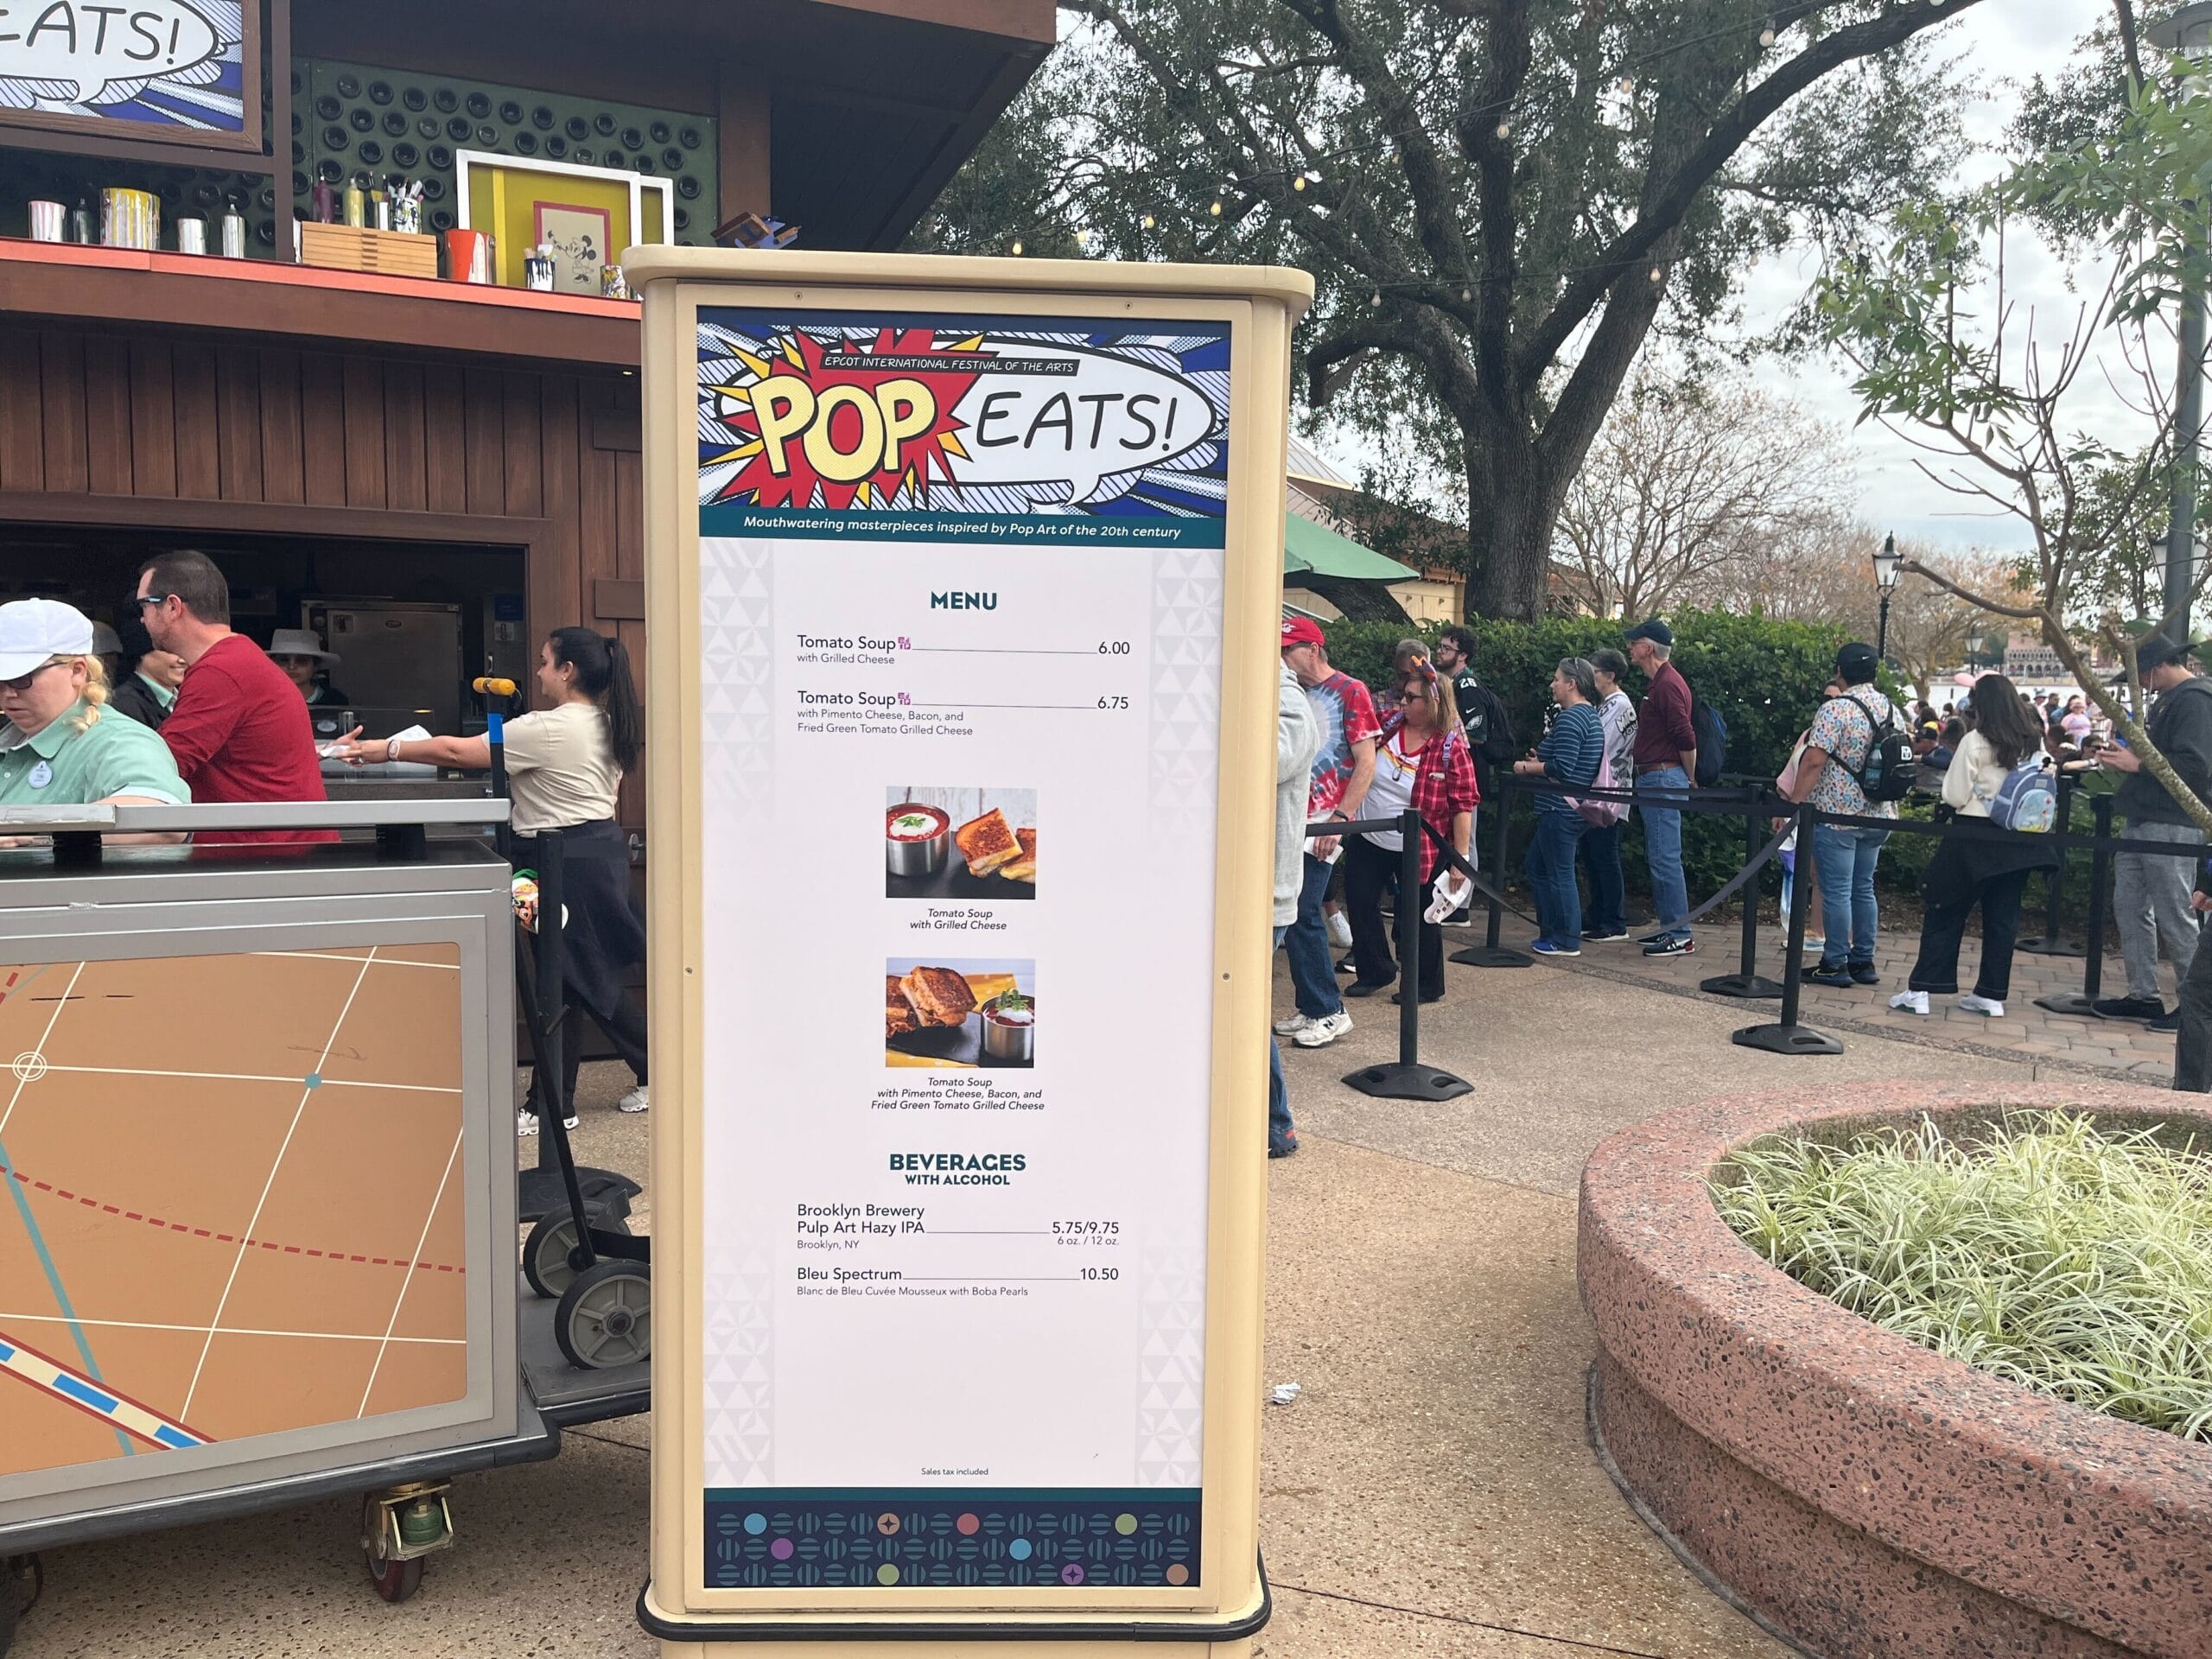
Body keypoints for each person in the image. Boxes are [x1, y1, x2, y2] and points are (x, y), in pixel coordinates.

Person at [340, 628, 649, 1131]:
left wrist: (385, 750)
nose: (541, 672)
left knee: (570, 973)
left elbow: (459, 753)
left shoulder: (548, 727)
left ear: (568, 670)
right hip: (588, 853)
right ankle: (561, 1098)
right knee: (569, 975)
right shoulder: (605, 722)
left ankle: (558, 1101)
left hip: (561, 859)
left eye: (547, 663)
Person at [134, 550, 341, 846]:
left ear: (172, 606)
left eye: (144, 605)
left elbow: (161, 765)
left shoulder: (221, 671)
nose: (141, 618)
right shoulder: (236, 659)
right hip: (283, 856)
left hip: (268, 865)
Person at [1890, 674, 2056, 1020]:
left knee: (1945, 909)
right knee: (2003, 919)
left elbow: (1953, 794)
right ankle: (1991, 994)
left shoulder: (1975, 741)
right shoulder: (2032, 741)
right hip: (2020, 837)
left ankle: (1921, 990)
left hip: (1972, 834)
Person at [1341, 656, 1477, 1001]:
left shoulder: (1451, 748)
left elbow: (1463, 804)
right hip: (1370, 835)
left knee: (1419, 915)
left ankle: (1426, 985)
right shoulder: (1386, 726)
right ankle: (1375, 969)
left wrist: (1460, 859)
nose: (1402, 702)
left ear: (1433, 703)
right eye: (1404, 695)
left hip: (1420, 845)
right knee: (1359, 900)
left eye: (1412, 697)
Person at [2094, 634, 2212, 1030]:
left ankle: (2195, 1002)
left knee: (2174, 913)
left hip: (2172, 821)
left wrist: (2137, 764)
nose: (2138, 685)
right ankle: (2144, 994)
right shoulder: (2170, 700)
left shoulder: (2195, 701)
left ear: (2155, 667)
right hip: (2145, 816)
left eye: (2139, 675)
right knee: (2130, 906)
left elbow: (2196, 767)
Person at [0, 599, 189, 843]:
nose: (8, 693)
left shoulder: (118, 741)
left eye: (22, 678)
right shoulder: (11, 739)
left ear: (77, 671)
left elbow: (161, 819)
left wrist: (31, 837)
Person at [1274, 618, 1376, 1050]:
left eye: (1288, 649)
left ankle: (1329, 1009)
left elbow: (1366, 760)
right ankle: (1314, 1002)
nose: (1281, 658)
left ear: (1313, 649)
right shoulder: (1292, 691)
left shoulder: (1351, 690)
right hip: (1297, 818)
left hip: (1324, 821)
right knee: (1295, 912)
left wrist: (1340, 818)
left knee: (1303, 910)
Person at [1779, 642, 1897, 988]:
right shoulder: (1889, 707)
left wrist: (1796, 804)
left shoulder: (1836, 709)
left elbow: (1814, 760)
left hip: (1837, 813)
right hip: (1878, 813)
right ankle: (1864, 959)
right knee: (1864, 888)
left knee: (1837, 890)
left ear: (1840, 672)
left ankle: (1834, 963)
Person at [1269, 658, 1323, 1158]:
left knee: (1239, 1014)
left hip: (1262, 894)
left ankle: (1275, 1126)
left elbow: (1273, 759)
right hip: (1246, 889)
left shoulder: (1285, 698)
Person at [1515, 658, 1604, 957]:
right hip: (1573, 807)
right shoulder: (1591, 716)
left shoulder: (1569, 718)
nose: (1552, 685)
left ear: (1571, 683)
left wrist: (1528, 767)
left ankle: (1565, 939)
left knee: (1558, 872)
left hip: (1559, 808)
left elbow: (1562, 767)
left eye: (1556, 679)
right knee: (1539, 867)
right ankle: (1553, 931)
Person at [1624, 619, 1697, 957]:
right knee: (1661, 856)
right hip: (1659, 776)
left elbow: (1685, 734)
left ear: (1648, 648)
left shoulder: (1666, 685)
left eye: (1634, 642)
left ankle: (1680, 933)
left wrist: (1689, 776)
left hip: (1663, 776)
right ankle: (1672, 927)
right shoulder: (1661, 682)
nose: (1630, 648)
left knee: (1665, 858)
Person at [1578, 648, 1637, 943]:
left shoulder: (1619, 706)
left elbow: (1601, 742)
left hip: (1609, 791)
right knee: (1592, 854)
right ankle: (1598, 913)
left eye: (1595, 673)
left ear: (1610, 676)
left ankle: (1614, 920)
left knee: (1604, 854)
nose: (1591, 678)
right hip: (1601, 789)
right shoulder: (1606, 705)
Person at [1432, 624, 1515, 802]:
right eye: (1440, 646)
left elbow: (1477, 735)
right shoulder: (1452, 683)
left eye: (1446, 648)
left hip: (1467, 776)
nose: (1439, 651)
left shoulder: (1468, 687)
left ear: (1463, 655)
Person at [106, 615, 186, 733]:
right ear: (142, 653)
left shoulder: (187, 696)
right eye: (170, 650)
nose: (182, 659)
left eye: (183, 648)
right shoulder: (124, 705)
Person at [267, 627, 352, 709]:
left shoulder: (336, 701)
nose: (291, 666)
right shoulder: (263, 699)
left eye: (301, 660)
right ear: (273, 664)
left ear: (315, 666)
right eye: (283, 660)